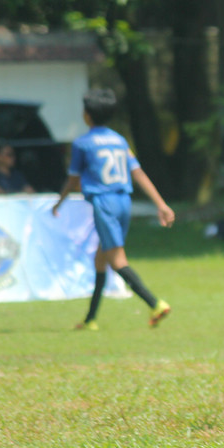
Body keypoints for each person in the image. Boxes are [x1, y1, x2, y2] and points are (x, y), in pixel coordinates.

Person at [52, 89, 175, 330]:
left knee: (117, 260)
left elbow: (73, 180)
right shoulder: (120, 141)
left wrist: (59, 202)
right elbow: (137, 172)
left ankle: (155, 303)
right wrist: (161, 204)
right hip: (123, 201)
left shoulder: (83, 143)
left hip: (104, 203)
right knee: (101, 258)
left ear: (86, 115)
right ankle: (91, 320)